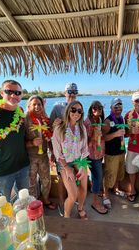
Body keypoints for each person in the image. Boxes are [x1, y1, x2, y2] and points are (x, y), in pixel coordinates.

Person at [52, 100, 89, 219]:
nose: (76, 113)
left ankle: (80, 208)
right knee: (73, 195)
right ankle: (67, 216)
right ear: (68, 111)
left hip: (79, 159)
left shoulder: (82, 127)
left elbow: (84, 149)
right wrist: (67, 168)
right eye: (73, 110)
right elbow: (57, 152)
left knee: (84, 188)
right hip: (64, 161)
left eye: (79, 111)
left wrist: (83, 166)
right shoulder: (59, 128)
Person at [50, 82, 78, 215]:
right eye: (69, 92)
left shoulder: (78, 107)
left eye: (74, 92)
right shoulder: (57, 107)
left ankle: (72, 198)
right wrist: (54, 125)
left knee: (74, 176)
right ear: (65, 93)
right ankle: (62, 201)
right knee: (62, 177)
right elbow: (50, 128)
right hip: (61, 152)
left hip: (75, 152)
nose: (72, 94)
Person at [25, 95, 56, 209]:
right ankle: (34, 205)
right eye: (34, 104)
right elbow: (20, 142)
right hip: (30, 157)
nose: (37, 106)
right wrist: (32, 143)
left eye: (39, 104)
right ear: (29, 106)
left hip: (43, 156)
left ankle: (46, 200)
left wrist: (52, 152)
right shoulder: (24, 119)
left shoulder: (45, 119)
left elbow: (49, 138)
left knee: (46, 180)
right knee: (31, 183)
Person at [101, 98, 126, 209]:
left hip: (121, 152)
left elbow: (123, 134)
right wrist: (115, 134)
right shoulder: (107, 121)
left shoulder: (121, 119)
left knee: (119, 174)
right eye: (115, 107)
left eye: (120, 107)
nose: (118, 109)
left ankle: (116, 189)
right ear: (111, 108)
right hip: (111, 154)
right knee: (109, 175)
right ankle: (105, 195)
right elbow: (103, 138)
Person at [84, 101, 108, 214]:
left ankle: (96, 192)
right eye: (94, 108)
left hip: (99, 153)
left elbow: (101, 137)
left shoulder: (99, 120)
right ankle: (95, 202)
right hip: (92, 154)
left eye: (99, 108)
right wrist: (92, 137)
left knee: (96, 176)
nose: (97, 110)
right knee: (97, 177)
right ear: (91, 109)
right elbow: (84, 141)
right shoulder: (87, 122)